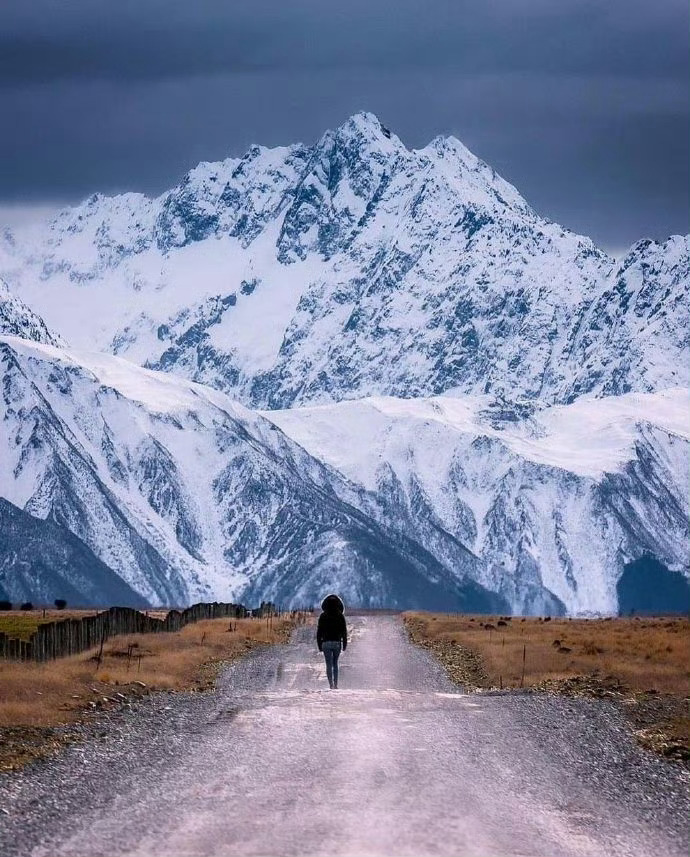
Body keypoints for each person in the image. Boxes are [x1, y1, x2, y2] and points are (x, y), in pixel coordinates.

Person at [316, 594, 347, 689]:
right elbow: (344, 631)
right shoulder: (340, 616)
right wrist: (344, 644)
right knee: (335, 664)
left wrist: (319, 645)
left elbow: (319, 631)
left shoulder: (323, 616)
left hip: (325, 643)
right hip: (337, 643)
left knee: (328, 664)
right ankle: (336, 684)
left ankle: (331, 685)